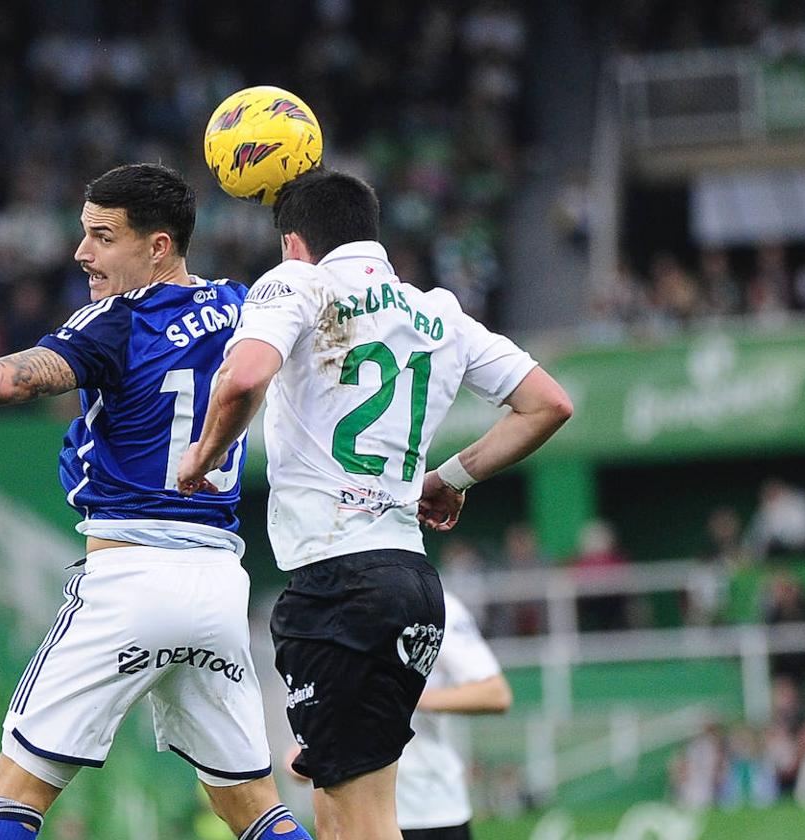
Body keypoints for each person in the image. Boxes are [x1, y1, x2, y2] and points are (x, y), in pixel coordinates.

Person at [0, 164, 312, 840]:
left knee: (13, 791)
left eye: (102, 237)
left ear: (158, 247)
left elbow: (11, 381)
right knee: (250, 806)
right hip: (219, 587)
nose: (82, 253)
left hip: (131, 578)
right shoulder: (244, 304)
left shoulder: (117, 323)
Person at [178, 168, 572, 840]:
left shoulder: (299, 283)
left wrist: (203, 456)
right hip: (411, 579)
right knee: (349, 819)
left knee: (355, 824)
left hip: (338, 582)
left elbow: (243, 377)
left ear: (294, 245)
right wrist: (450, 476)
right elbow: (549, 404)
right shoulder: (439, 312)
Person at [396, 589, 512, 840]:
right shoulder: (326, 602)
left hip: (427, 808)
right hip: (353, 807)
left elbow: (494, 692)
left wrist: (401, 698)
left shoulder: (433, 604)